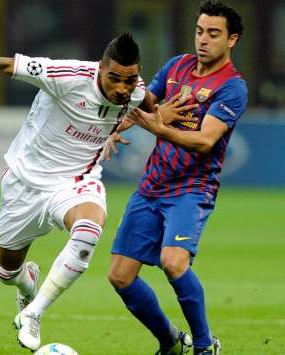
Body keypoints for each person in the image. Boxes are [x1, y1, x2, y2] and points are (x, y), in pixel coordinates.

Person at [0, 33, 151, 351]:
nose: (122, 89)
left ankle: (33, 312)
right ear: (100, 69)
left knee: (89, 231)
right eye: (114, 79)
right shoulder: (66, 75)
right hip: (24, 183)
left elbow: (147, 105)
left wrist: (116, 130)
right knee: (6, 272)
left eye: (129, 80)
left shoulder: (135, 92)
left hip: (76, 182)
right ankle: (26, 281)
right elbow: (1, 65)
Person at [106, 1, 247, 354]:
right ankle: (170, 342)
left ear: (232, 40)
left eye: (214, 34)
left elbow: (204, 141)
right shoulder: (177, 66)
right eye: (200, 31)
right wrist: (113, 128)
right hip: (152, 185)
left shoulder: (232, 87)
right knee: (120, 276)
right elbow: (142, 104)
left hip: (192, 189)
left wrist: (158, 126)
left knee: (173, 261)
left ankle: (204, 345)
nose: (203, 39)